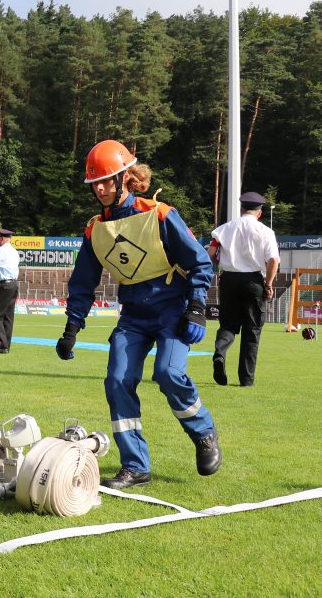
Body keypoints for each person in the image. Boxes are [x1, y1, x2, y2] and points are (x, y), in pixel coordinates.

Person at [56, 140, 221, 489]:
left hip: (171, 311)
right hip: (133, 316)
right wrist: (72, 327)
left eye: (105, 181)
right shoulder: (95, 229)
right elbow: (83, 282)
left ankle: (204, 432)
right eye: (94, 183)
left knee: (167, 373)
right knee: (117, 381)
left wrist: (196, 308)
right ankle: (135, 466)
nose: (99, 188)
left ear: (125, 178)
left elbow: (199, 262)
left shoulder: (159, 214)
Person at [208, 191, 280, 387]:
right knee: (252, 330)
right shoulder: (265, 231)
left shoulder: (225, 228)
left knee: (228, 325)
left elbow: (211, 251)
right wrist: (269, 284)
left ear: (241, 209)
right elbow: (273, 259)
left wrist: (218, 265)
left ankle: (220, 353)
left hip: (229, 279)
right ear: (260, 212)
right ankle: (246, 379)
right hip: (254, 281)